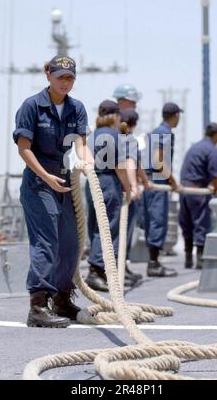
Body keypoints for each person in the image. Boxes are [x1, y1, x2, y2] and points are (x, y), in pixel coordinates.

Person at [13, 55, 93, 328]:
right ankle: (38, 305)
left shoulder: (77, 108)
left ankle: (62, 298)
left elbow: (81, 145)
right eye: (60, 77)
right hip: (38, 181)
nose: (65, 83)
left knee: (70, 242)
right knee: (46, 242)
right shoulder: (32, 106)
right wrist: (45, 176)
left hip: (62, 179)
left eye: (70, 78)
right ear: (48, 74)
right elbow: (24, 148)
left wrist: (86, 163)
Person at [85, 100, 132, 292]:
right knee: (109, 228)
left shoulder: (91, 135)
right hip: (109, 183)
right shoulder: (115, 135)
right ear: (116, 116)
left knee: (96, 226)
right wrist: (128, 188)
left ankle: (98, 270)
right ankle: (96, 271)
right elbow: (120, 166)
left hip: (92, 182)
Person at [143, 102, 183, 277]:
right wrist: (173, 181)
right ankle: (154, 264)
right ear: (175, 115)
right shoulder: (165, 132)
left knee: (151, 221)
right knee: (158, 221)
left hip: (149, 180)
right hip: (158, 181)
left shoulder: (155, 131)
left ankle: (153, 261)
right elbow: (159, 161)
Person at [179, 122, 217, 269]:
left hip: (185, 190)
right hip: (198, 191)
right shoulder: (212, 150)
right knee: (201, 224)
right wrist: (215, 189)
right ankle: (200, 260)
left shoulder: (194, 147)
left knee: (187, 224)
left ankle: (188, 259)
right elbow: (215, 174)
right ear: (216, 135)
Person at [113, 83, 143, 281]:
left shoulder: (111, 124)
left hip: (114, 182)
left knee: (123, 227)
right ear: (122, 101)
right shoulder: (119, 128)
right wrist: (132, 187)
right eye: (132, 103)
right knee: (116, 227)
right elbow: (127, 161)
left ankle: (120, 265)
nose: (135, 106)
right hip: (117, 184)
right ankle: (115, 269)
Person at [119, 108, 152, 282]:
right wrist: (136, 186)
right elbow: (132, 164)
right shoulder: (130, 139)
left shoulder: (109, 137)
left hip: (104, 188)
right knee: (124, 231)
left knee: (108, 231)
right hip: (122, 191)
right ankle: (120, 271)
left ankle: (107, 270)